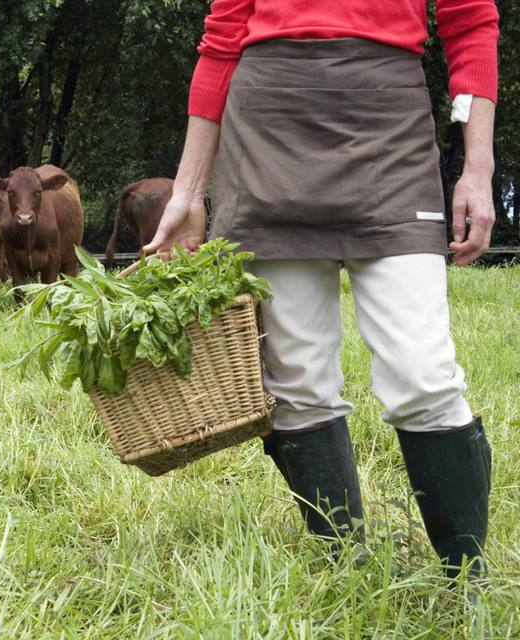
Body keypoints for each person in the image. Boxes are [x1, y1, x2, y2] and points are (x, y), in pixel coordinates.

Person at [145, 0, 498, 580]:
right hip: (266, 138)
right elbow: (223, 39)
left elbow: (472, 23)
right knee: (299, 380)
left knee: (423, 375)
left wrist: (477, 168)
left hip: (390, 131)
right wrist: (187, 192)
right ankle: (348, 570)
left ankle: (468, 582)